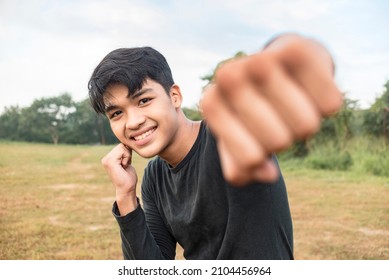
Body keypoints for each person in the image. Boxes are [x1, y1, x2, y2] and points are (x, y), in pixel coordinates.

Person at [88, 33, 342, 260]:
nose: (133, 121)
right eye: (117, 113)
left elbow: (275, 70)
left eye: (143, 100)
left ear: (174, 96)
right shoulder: (154, 177)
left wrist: (290, 55)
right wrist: (125, 195)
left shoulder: (223, 136)